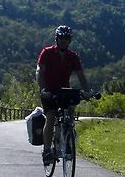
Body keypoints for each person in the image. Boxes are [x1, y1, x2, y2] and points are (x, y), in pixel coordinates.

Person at [36, 25, 91, 164]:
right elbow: (39, 72)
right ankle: (47, 150)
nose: (63, 41)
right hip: (48, 90)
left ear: (69, 40)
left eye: (66, 39)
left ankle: (67, 140)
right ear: (57, 39)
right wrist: (43, 89)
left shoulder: (73, 56)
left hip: (65, 91)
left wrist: (87, 91)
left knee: (70, 113)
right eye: (61, 38)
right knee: (51, 116)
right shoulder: (47, 52)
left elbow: (81, 76)